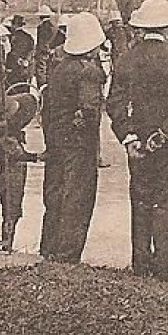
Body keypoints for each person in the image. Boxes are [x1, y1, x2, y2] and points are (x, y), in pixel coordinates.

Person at [107, 0, 168, 280]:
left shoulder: (126, 59)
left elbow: (114, 103)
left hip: (137, 144)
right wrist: (165, 133)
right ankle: (162, 266)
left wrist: (129, 136)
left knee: (141, 199)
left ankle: (140, 262)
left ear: (139, 29)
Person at [39, 14, 108, 264]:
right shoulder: (88, 72)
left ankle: (49, 248)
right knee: (77, 198)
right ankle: (68, 255)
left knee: (55, 195)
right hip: (79, 145)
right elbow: (89, 109)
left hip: (56, 140)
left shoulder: (60, 69)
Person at [0, 80, 40, 252]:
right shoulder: (8, 139)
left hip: (6, 174)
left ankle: (6, 240)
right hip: (11, 177)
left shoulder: (4, 136)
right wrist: (38, 156)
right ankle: (7, 241)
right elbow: (19, 155)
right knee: (12, 210)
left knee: (10, 210)